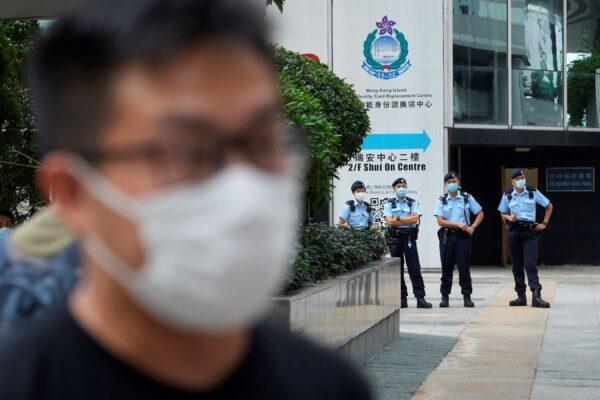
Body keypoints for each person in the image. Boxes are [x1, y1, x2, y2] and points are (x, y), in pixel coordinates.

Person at [0, 1, 372, 399]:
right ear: (73, 194)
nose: (243, 190)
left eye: (263, 143)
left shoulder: (329, 386)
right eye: (188, 152)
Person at [498, 168, 553, 308]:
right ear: (512, 181)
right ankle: (520, 296)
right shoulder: (508, 195)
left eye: (522, 177)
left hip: (529, 232)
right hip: (515, 231)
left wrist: (544, 223)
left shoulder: (532, 192)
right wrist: (510, 218)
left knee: (530, 264)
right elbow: (502, 212)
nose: (521, 180)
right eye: (517, 178)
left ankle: (536, 295)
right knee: (517, 266)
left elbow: (549, 206)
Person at [434, 172, 484, 308]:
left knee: (464, 268)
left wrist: (473, 226)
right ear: (445, 185)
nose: (452, 184)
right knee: (446, 268)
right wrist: (457, 224)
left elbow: (480, 213)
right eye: (449, 182)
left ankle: (467, 296)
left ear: (458, 182)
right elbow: (440, 221)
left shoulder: (466, 198)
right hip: (447, 237)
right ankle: (445, 297)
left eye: (454, 181)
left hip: (463, 237)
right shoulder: (442, 200)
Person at [384, 178, 431, 309]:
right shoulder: (389, 204)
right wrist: (407, 220)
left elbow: (415, 219)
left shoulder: (412, 203)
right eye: (399, 186)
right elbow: (390, 222)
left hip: (409, 239)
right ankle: (401, 298)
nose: (401, 188)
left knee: (414, 268)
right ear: (394, 188)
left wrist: (398, 218)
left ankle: (420, 298)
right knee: (397, 269)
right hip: (395, 239)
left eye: (404, 186)